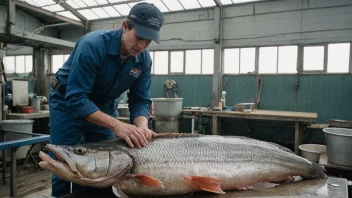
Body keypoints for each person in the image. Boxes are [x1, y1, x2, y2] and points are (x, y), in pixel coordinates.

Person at [48, 3, 164, 197]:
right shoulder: (92, 45)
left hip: (103, 105)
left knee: (103, 166)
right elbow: (76, 98)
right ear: (125, 25)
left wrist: (142, 126)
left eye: (148, 41)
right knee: (65, 162)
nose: (142, 46)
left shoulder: (143, 60)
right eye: (139, 38)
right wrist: (116, 125)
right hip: (67, 103)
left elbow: (141, 100)